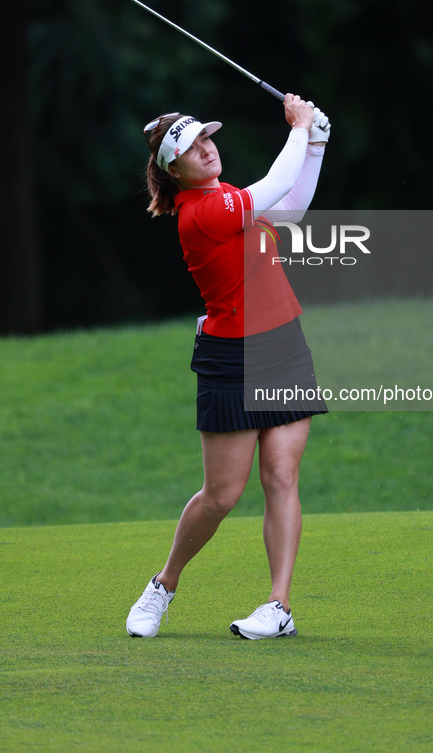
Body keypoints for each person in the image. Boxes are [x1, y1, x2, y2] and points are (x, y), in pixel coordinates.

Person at [126, 94, 330, 640]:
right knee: (221, 495)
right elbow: (272, 187)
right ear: (175, 170)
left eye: (208, 139)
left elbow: (288, 209)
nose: (208, 150)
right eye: (194, 148)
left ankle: (278, 607)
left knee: (282, 476)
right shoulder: (200, 213)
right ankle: (163, 584)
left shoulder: (229, 197)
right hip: (232, 358)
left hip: (284, 346)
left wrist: (315, 145)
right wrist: (301, 128)